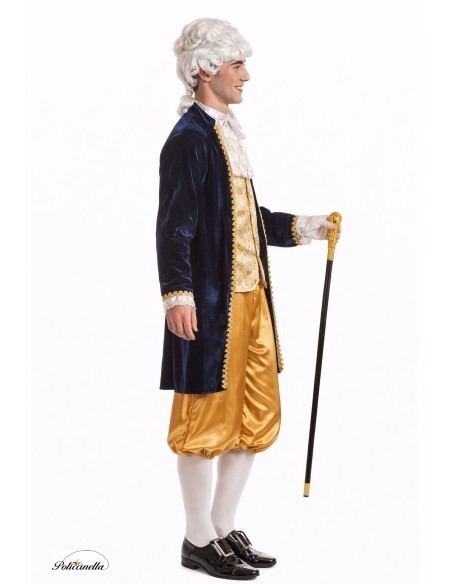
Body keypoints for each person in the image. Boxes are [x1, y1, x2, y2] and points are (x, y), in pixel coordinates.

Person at [155, 18, 341, 580]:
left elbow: (245, 221)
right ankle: (195, 538)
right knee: (203, 419)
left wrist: (307, 227)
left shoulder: (227, 134)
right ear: (205, 70)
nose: (245, 76)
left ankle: (222, 525)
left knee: (251, 416)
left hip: (253, 302)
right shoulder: (188, 140)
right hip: (211, 308)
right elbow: (174, 228)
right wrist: (178, 295)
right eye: (237, 65)